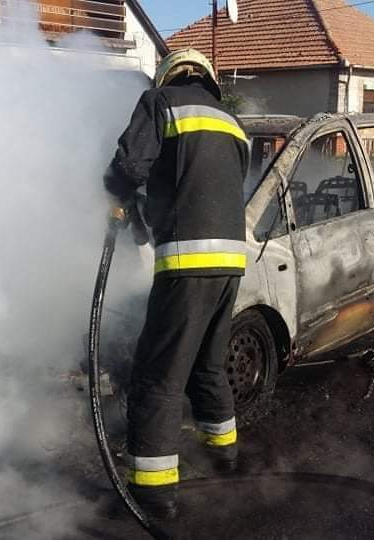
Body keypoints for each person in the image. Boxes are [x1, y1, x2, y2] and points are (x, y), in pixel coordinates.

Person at [103, 48, 250, 520]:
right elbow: (208, 183)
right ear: (207, 79)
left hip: (187, 261)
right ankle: (225, 458)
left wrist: (115, 195)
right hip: (231, 263)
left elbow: (130, 167)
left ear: (168, 77)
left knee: (157, 376)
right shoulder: (232, 124)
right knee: (208, 364)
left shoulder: (159, 103)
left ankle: (153, 493)